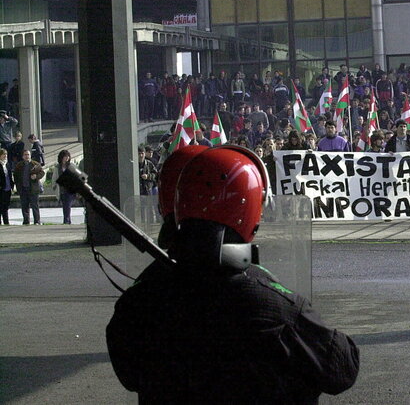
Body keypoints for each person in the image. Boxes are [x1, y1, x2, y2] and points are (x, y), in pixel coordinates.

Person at [106, 145, 359, 403]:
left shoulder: (137, 301)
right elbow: (342, 369)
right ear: (249, 211)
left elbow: (129, 375)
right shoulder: (279, 309)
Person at [13, 149, 44, 225]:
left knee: (35, 206)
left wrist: (36, 176)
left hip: (33, 189)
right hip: (23, 189)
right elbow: (15, 176)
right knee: (24, 206)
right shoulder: (19, 165)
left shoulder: (35, 164)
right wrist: (18, 186)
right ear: (22, 156)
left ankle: (37, 221)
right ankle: (26, 221)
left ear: (30, 155)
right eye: (25, 155)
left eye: (28, 155)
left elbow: (42, 173)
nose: (27, 156)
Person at [51, 149, 77, 224]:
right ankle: (68, 221)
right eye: (65, 156)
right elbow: (54, 177)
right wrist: (54, 185)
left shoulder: (71, 166)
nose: (67, 158)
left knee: (67, 205)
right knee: (65, 206)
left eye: (68, 156)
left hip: (69, 190)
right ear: (61, 157)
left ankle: (66, 221)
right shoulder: (57, 167)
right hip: (62, 190)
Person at [0, 148, 13, 225]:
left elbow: (10, 176)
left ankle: (6, 222)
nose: (5, 156)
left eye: (6, 154)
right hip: (1, 189)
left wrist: (12, 185)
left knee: (6, 206)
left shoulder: (7, 164)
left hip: (8, 189)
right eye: (3, 154)